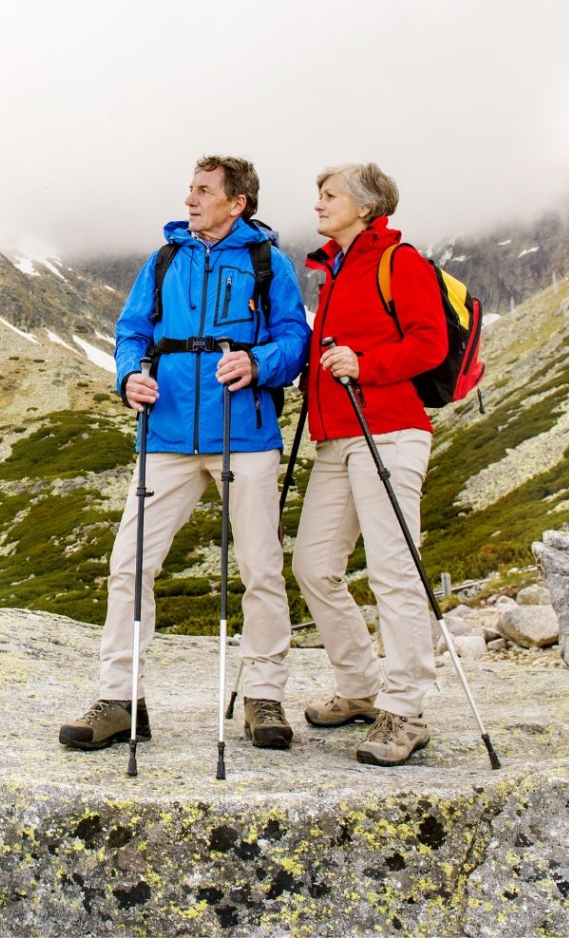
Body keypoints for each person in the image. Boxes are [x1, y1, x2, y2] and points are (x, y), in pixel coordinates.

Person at [59, 155, 310, 752]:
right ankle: (120, 698)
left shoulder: (268, 262)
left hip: (243, 433)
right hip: (167, 434)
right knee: (130, 564)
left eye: (203, 190)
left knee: (260, 566)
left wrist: (258, 362)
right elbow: (132, 331)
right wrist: (128, 377)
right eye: (190, 189)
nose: (190, 199)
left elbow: (295, 338)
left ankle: (263, 696)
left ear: (237, 202)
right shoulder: (164, 259)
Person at [292, 162, 447, 766]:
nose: (318, 204)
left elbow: (429, 342)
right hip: (337, 440)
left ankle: (405, 710)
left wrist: (365, 364)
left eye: (329, 196)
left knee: (392, 570)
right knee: (313, 566)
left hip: (391, 433)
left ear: (364, 206)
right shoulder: (332, 270)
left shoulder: (398, 261)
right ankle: (360, 687)